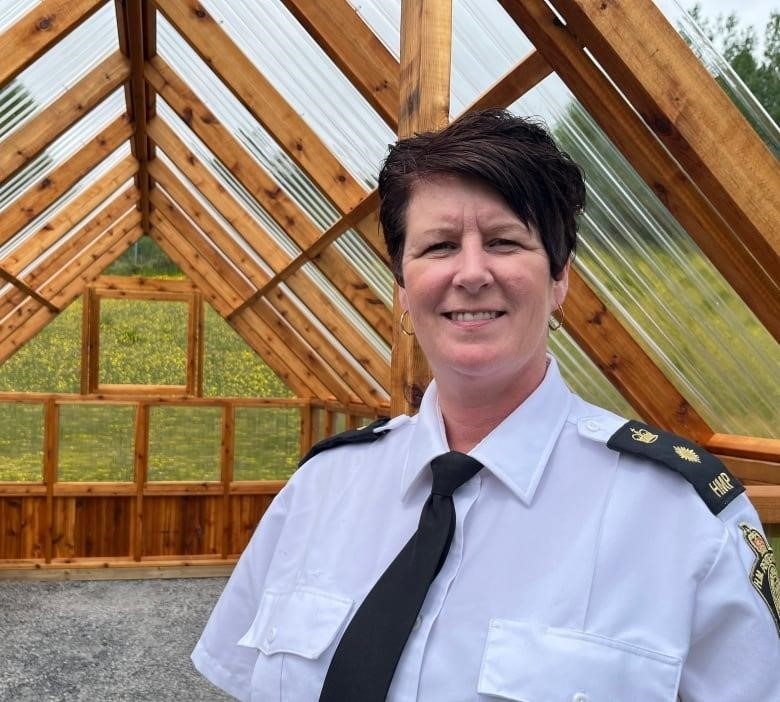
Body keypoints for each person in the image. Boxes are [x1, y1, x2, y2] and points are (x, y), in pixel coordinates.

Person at [192, 109, 780, 701]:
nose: (471, 273)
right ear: (401, 287)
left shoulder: (684, 520)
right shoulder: (319, 491)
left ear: (559, 280)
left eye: (503, 241)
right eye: (440, 246)